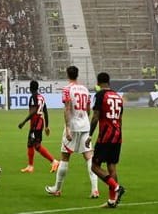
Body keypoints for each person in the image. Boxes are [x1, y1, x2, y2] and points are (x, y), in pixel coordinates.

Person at [46, 65, 101, 198]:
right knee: (89, 157)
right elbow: (88, 109)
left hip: (73, 125)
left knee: (65, 157)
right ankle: (95, 189)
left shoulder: (67, 89)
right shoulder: (85, 89)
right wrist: (84, 120)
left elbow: (67, 108)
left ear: (67, 74)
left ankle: (57, 189)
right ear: (77, 74)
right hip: (85, 126)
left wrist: (68, 127)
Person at [90, 72, 126, 208]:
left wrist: (89, 135)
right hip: (117, 135)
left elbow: (95, 117)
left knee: (94, 166)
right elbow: (120, 118)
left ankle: (116, 187)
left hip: (105, 136)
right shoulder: (118, 96)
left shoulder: (100, 95)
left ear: (98, 83)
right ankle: (112, 201)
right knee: (111, 166)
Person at [17, 80, 55, 173]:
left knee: (37, 146)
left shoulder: (33, 97)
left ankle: (53, 161)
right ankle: (30, 166)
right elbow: (45, 111)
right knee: (30, 144)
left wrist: (24, 122)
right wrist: (46, 126)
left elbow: (33, 111)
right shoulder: (41, 97)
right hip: (39, 123)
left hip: (36, 124)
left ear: (30, 88)